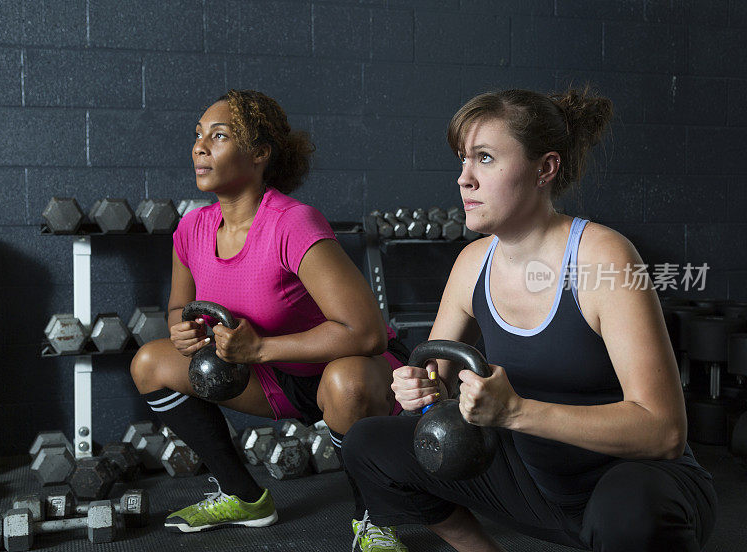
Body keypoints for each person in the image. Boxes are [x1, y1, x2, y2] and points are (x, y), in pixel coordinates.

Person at [342, 88, 718, 552]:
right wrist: (417, 388)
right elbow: (430, 370)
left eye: (485, 158)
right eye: (462, 160)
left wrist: (517, 412)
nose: (464, 179)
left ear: (545, 168)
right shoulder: (472, 264)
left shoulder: (605, 258)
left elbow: (664, 432)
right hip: (535, 483)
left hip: (633, 483)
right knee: (370, 443)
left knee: (628, 512)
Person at [128, 89, 409, 546]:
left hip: (354, 373)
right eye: (198, 136)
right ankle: (243, 497)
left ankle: (375, 517)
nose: (199, 147)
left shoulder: (292, 223)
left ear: (259, 153)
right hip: (273, 377)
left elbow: (367, 333)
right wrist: (184, 330)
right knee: (150, 363)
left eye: (218, 137)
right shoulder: (192, 229)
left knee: (346, 383)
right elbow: (181, 308)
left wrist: (260, 348)